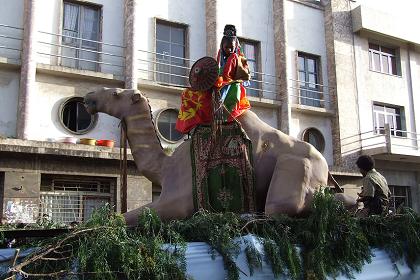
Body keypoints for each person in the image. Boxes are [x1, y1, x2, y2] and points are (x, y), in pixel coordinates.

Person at [176, 24, 251, 133]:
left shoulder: (234, 57)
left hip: (228, 87)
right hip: (217, 84)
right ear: (222, 46)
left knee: (189, 95)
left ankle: (206, 120)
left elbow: (226, 76)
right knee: (187, 93)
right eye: (227, 47)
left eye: (232, 47)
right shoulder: (220, 55)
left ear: (235, 47)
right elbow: (216, 69)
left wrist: (215, 80)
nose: (229, 50)